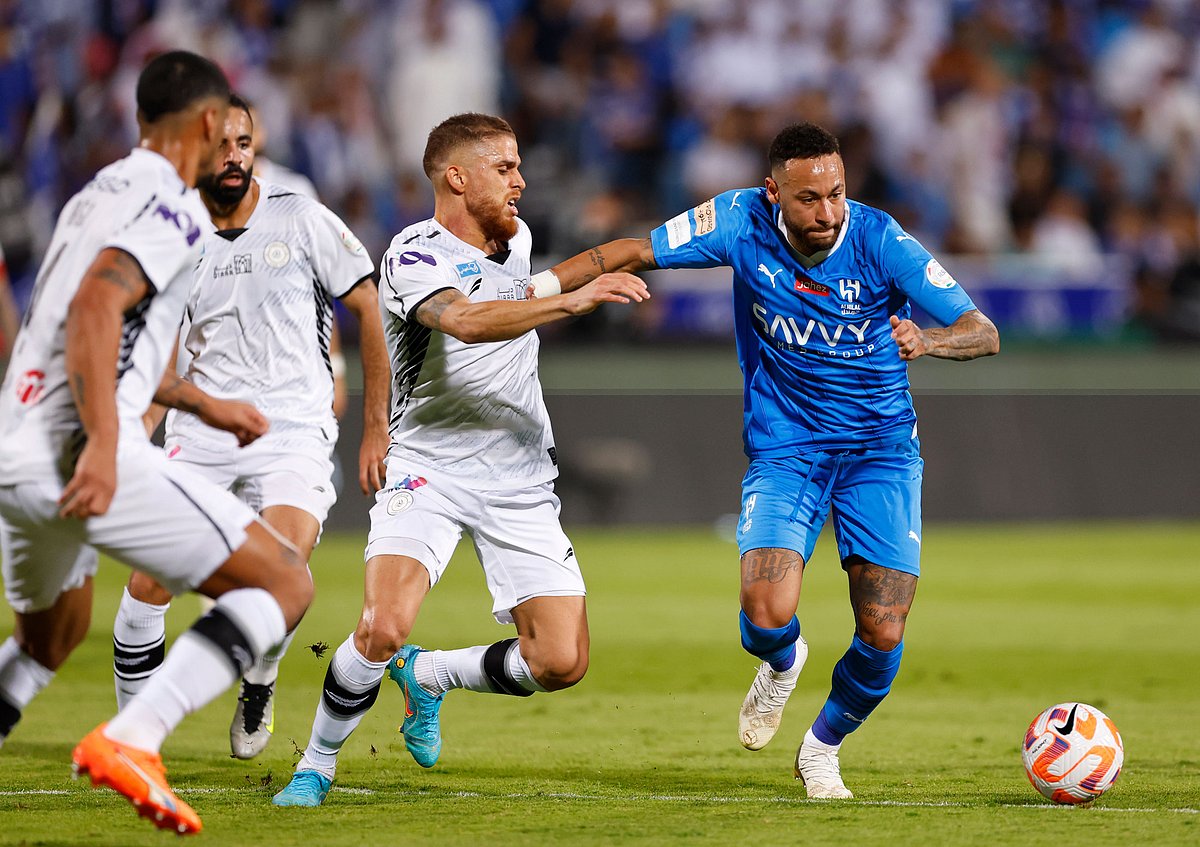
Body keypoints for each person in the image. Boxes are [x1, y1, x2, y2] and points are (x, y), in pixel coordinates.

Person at [536, 122, 1000, 798]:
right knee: (763, 616)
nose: (828, 212)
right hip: (788, 449)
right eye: (809, 198)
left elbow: (982, 332)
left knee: (882, 629)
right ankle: (782, 664)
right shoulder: (737, 220)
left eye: (836, 194)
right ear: (773, 192)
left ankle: (821, 748)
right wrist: (534, 290)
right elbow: (632, 250)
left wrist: (930, 341)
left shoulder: (881, 240)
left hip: (879, 453)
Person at [272, 112, 649, 807]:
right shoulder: (412, 255)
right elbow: (468, 321)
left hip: (519, 473)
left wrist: (627, 254)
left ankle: (432, 676)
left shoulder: (515, 240)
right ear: (457, 177)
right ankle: (316, 765)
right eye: (505, 168)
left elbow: (527, 288)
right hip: (431, 469)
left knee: (561, 660)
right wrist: (574, 303)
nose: (520, 181)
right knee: (382, 627)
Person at [0, 51, 313, 834]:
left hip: (16, 446)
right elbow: (97, 310)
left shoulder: (93, 194)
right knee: (283, 583)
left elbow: (90, 327)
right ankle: (135, 735)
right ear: (209, 122)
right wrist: (106, 443)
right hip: (79, 448)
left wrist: (201, 401)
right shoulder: (176, 207)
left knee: (50, 638)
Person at [110, 94, 389, 760]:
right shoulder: (171, 237)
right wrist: (132, 433)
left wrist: (376, 424)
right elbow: (162, 360)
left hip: (293, 430)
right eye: (222, 146)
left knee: (283, 570)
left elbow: (367, 305)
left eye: (244, 143)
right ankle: (133, 743)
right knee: (147, 586)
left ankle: (259, 677)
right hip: (202, 433)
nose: (235, 157)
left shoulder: (301, 215)